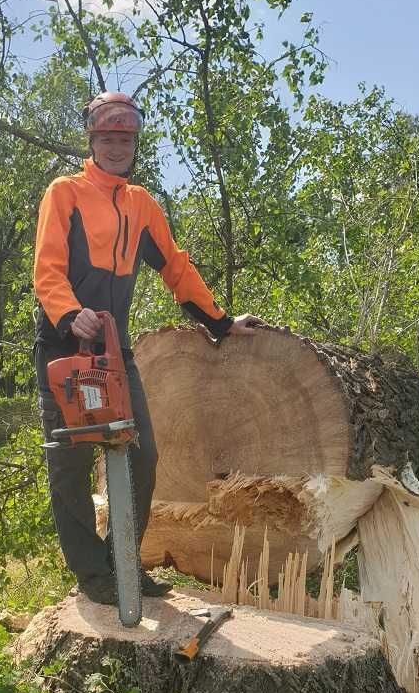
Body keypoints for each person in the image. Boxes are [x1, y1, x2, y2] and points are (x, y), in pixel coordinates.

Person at [33, 91, 261, 605]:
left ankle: (122, 565)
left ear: (135, 142)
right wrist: (71, 315)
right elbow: (46, 269)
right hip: (63, 347)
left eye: (126, 138)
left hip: (115, 351)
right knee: (69, 462)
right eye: (108, 138)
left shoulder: (140, 205)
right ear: (92, 140)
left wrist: (219, 322)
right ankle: (94, 578)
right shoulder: (65, 193)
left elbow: (176, 268)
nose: (117, 147)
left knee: (143, 455)